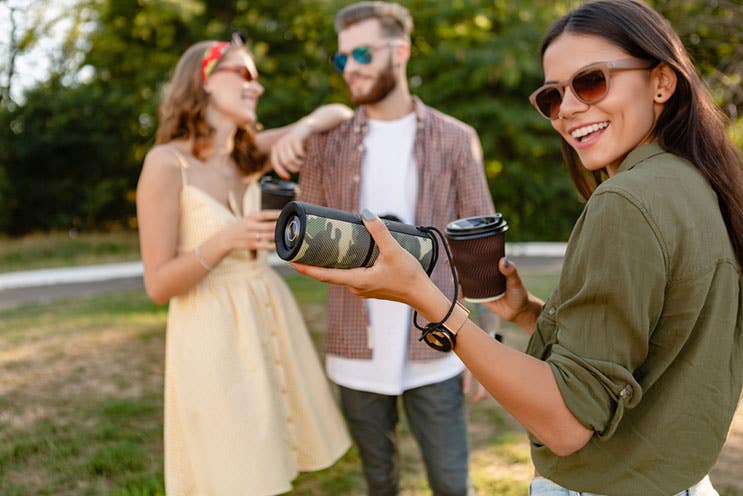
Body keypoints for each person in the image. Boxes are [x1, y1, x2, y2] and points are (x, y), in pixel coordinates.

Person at [293, 0, 743, 495]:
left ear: (662, 80)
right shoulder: (698, 182)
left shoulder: (625, 202)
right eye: (553, 95)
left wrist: (429, 301)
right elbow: (653, 347)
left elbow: (568, 424)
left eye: (591, 81)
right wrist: (528, 313)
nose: (568, 108)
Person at [135, 35, 353, 495]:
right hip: (209, 331)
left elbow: (340, 114)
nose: (257, 86)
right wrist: (224, 241)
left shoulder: (246, 154)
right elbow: (157, 285)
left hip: (264, 312)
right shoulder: (164, 163)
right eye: (244, 73)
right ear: (205, 82)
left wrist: (301, 128)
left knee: (270, 457)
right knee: (232, 468)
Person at [293, 2, 495, 495]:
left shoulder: (455, 139)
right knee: (378, 483)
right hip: (354, 346)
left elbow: (481, 251)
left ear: (400, 51)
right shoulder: (325, 142)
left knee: (452, 483)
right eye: (342, 58)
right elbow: (304, 245)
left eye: (361, 52)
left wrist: (486, 345)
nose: (351, 67)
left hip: (439, 344)